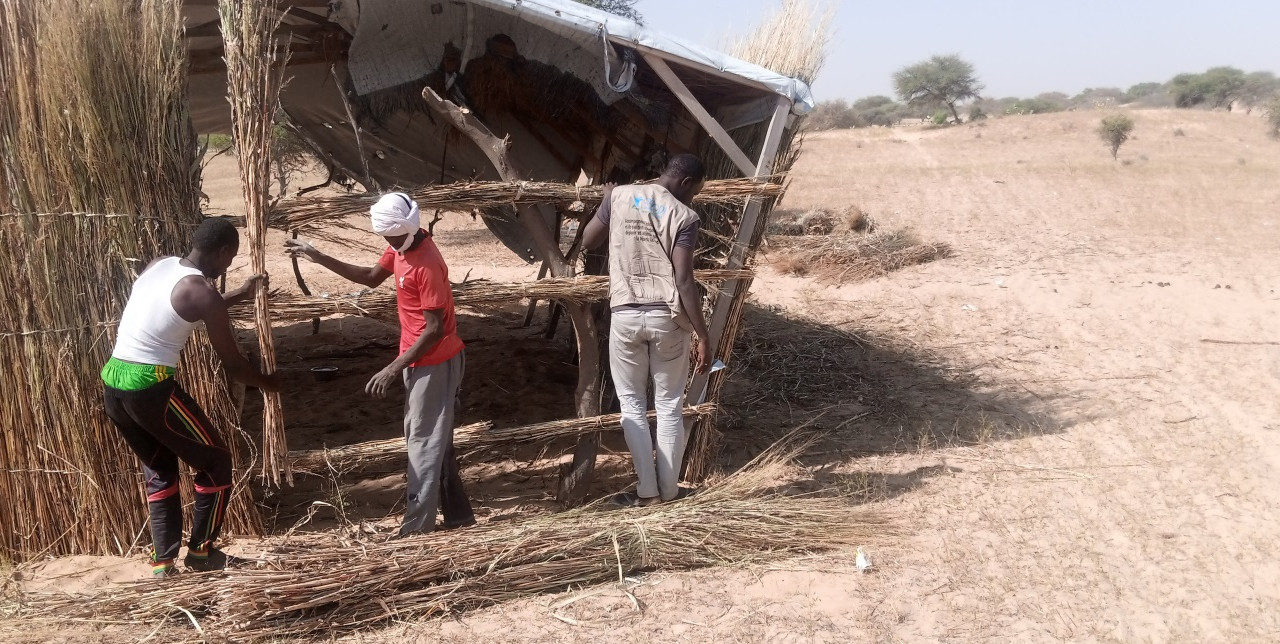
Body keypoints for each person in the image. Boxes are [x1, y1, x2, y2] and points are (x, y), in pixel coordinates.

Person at [284, 193, 475, 536]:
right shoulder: (402, 245)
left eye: (391, 236)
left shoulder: (425, 264)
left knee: (422, 442)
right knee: (436, 441)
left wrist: (390, 369)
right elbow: (371, 277)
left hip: (435, 360)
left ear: (405, 228)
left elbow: (436, 329)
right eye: (384, 236)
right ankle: (459, 514)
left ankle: (416, 529)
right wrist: (319, 257)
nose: (387, 242)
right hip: (419, 359)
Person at [101, 218, 279, 576]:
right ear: (223, 251)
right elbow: (235, 366)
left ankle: (162, 563)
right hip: (150, 387)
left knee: (160, 470)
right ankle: (202, 554)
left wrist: (240, 296)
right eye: (229, 260)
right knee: (215, 463)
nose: (226, 267)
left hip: (114, 383)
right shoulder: (203, 292)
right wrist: (271, 382)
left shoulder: (160, 265)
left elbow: (175, 311)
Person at [579, 154, 712, 507]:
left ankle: (647, 492)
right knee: (669, 406)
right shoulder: (684, 216)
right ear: (685, 183)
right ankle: (669, 492)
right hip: (666, 317)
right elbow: (684, 280)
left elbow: (589, 240)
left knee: (632, 406)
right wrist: (703, 334)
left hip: (624, 314)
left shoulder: (620, 196)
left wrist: (605, 200)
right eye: (695, 191)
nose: (693, 198)